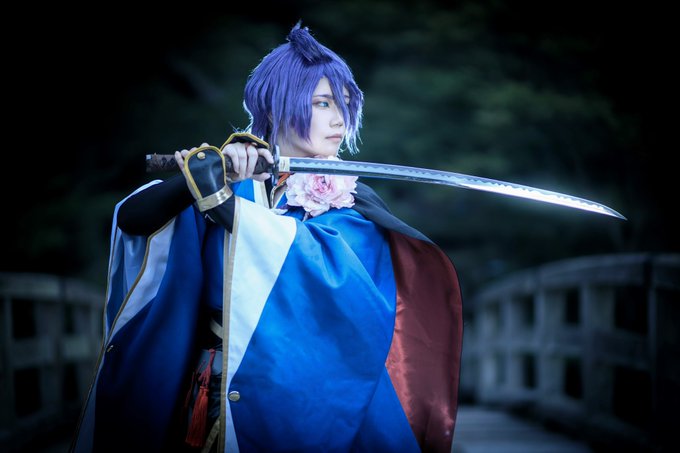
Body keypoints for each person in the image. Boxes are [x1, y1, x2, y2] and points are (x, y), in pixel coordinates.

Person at [71, 23, 463, 453]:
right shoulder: (230, 183)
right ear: (276, 109)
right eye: (322, 103)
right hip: (215, 383)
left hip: (311, 395)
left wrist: (220, 201)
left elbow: (324, 277)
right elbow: (134, 220)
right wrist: (200, 178)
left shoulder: (352, 205)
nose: (339, 119)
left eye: (346, 103)